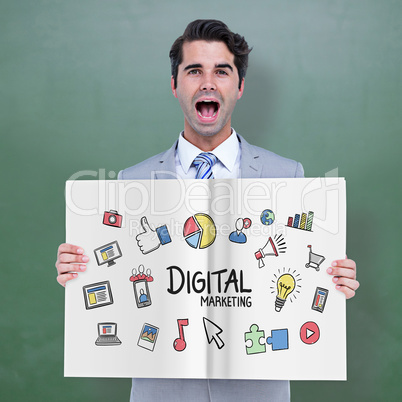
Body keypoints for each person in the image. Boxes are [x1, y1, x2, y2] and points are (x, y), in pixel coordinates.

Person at [56, 19, 359, 401]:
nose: (207, 82)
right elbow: (121, 283)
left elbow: (297, 277)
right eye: (194, 70)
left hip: (257, 390)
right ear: (174, 84)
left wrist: (333, 281)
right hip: (162, 391)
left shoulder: (288, 176)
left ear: (240, 86)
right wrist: (81, 270)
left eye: (222, 71)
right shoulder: (131, 183)